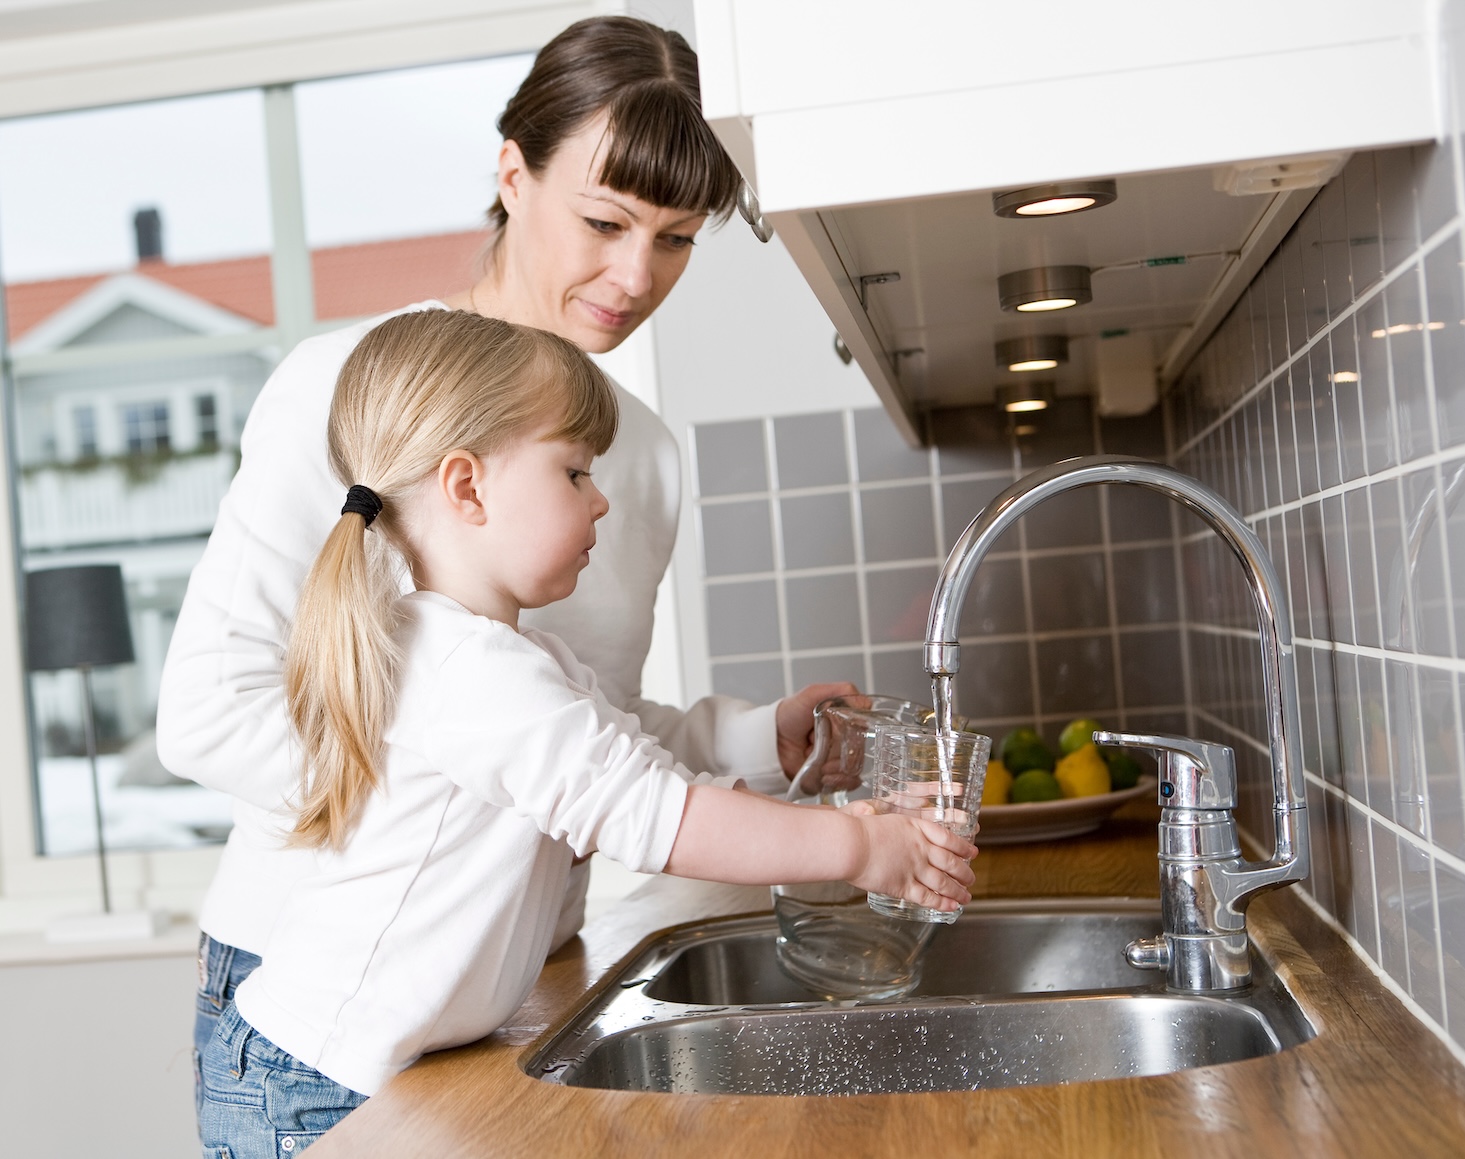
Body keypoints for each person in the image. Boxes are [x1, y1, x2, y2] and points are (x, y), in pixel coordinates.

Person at [156, 14, 853, 1085]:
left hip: (512, 978)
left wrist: (764, 738)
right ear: (512, 173)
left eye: (674, 239)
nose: (635, 275)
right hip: (327, 984)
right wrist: (455, 804)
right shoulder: (349, 387)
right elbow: (210, 711)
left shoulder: (641, 454)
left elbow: (579, 728)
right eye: (604, 220)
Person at [194, 310, 975, 1148]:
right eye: (574, 472)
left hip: (354, 1068)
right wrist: (860, 850)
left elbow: (638, 766)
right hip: (312, 1089)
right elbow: (654, 817)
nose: (601, 498)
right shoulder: (472, 672)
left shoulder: (513, 657)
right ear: (467, 487)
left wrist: (814, 784)